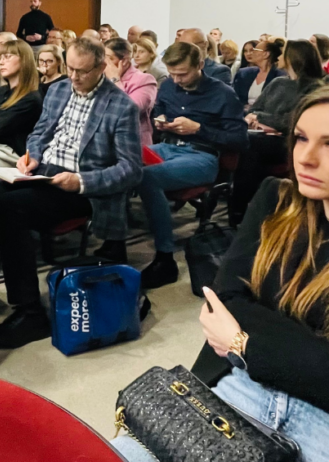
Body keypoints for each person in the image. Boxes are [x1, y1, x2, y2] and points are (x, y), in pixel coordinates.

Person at [118, 91, 329, 462]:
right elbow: (226, 301)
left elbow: (235, 324)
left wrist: (243, 344)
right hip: (239, 387)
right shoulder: (276, 199)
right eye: (300, 138)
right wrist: (303, 353)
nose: (306, 158)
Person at [0, 37, 142, 348]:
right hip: (43, 174)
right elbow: (41, 132)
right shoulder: (58, 90)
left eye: (82, 72)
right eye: (69, 68)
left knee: (9, 210)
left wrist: (81, 181)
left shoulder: (121, 106)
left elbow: (131, 169)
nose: (73, 77)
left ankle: (30, 313)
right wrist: (31, 155)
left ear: (101, 67)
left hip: (81, 186)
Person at [137, 42, 248, 290]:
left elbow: (240, 140)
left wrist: (199, 128)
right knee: (122, 159)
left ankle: (165, 257)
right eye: (173, 73)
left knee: (147, 177)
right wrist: (161, 121)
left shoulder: (222, 93)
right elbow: (160, 111)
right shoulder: (168, 86)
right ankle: (112, 241)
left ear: (200, 65)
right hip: (167, 147)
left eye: (183, 74)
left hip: (202, 155)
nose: (177, 80)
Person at [229, 40, 325, 224]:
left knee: (252, 146)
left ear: (293, 58)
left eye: (283, 54)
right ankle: (243, 210)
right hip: (263, 136)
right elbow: (252, 110)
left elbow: (295, 121)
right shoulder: (278, 82)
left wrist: (262, 119)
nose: (279, 56)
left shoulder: (315, 88)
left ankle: (240, 211)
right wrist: (259, 119)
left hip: (290, 142)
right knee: (246, 140)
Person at [0, 39, 42, 162]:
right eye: (0, 58)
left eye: (7, 57)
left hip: (11, 153)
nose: (1, 62)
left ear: (24, 60)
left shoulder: (30, 99)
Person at [105, 39, 157, 146]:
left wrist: (115, 80)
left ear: (124, 60)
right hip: (104, 140)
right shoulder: (100, 78)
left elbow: (129, 110)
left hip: (131, 143)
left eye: (109, 58)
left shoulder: (145, 80)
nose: (104, 62)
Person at [232, 40, 285, 109]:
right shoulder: (244, 74)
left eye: (255, 50)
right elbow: (235, 98)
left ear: (266, 54)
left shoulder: (280, 77)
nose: (251, 53)